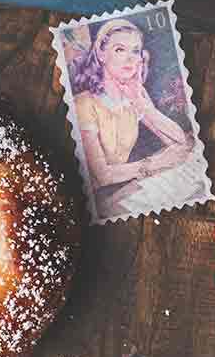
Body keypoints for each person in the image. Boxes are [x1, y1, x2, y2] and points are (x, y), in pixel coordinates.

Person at [69, 20, 195, 220]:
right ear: (101, 54)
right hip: (87, 202)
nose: (130, 59)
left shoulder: (133, 93)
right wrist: (154, 163)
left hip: (121, 190)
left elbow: (179, 139)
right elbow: (102, 175)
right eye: (120, 49)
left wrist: (143, 105)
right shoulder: (84, 104)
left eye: (135, 51)